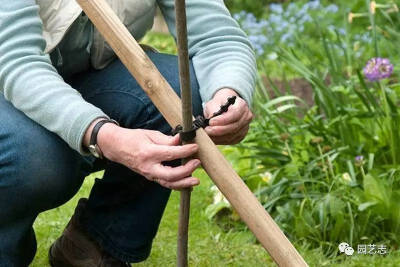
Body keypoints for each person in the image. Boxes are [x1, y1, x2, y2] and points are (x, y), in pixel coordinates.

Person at [0, 0, 256, 266]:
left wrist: (229, 93)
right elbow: (17, 62)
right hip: (7, 80)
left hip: (80, 78)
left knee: (177, 97)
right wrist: (102, 133)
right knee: (33, 153)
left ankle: (95, 247)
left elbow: (217, 38)